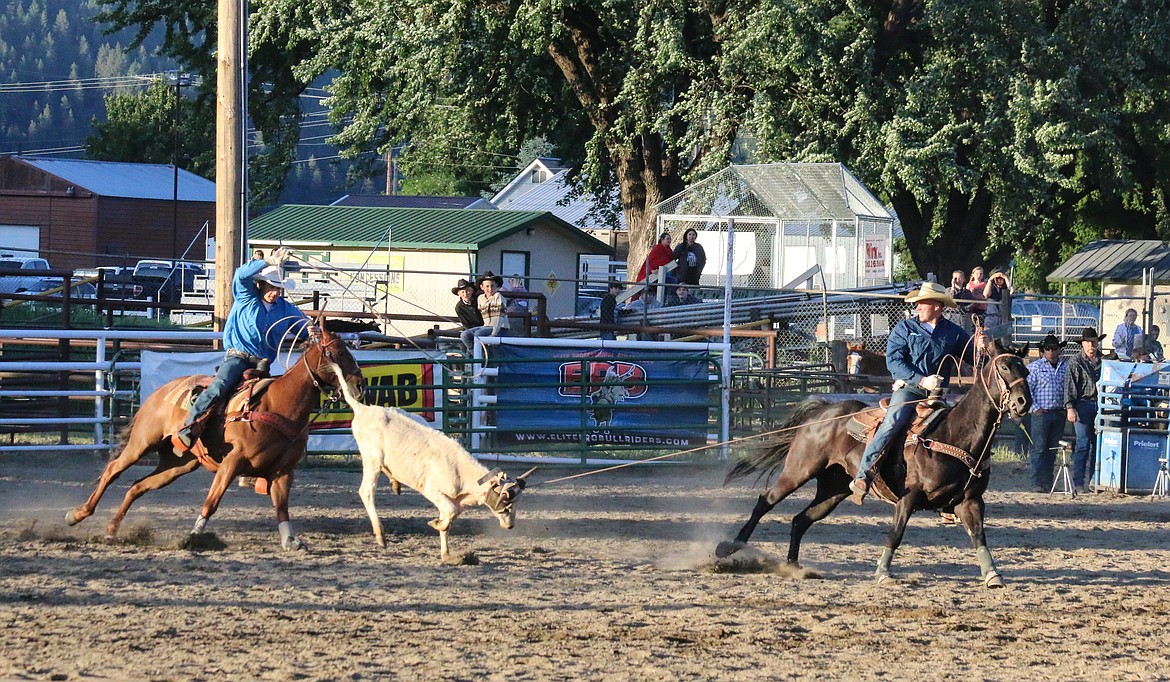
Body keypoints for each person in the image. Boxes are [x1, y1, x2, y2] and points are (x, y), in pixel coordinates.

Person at [850, 281, 988, 503]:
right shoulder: (905, 329)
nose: (918, 307)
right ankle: (864, 474)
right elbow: (894, 362)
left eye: (922, 303)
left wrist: (981, 349)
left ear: (936, 305)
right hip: (910, 390)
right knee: (892, 423)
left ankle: (949, 492)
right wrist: (922, 379)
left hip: (938, 395)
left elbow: (974, 361)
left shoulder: (954, 333)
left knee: (954, 433)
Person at [172, 248, 315, 452]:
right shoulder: (246, 297)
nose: (276, 292)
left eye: (279, 288)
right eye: (272, 287)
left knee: (270, 404)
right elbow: (241, 275)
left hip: (263, 363)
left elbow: (302, 325)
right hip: (237, 357)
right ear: (261, 284)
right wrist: (267, 261)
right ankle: (188, 428)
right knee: (219, 387)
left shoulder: (286, 309)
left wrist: (311, 328)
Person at [1064, 327, 1105, 492]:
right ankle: (1078, 482)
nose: (1091, 345)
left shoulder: (1104, 361)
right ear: (1083, 344)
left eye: (1094, 342)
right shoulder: (1075, 362)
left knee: (1098, 444)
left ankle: (1094, 480)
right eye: (1088, 342)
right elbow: (1069, 387)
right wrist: (1070, 408)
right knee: (1083, 443)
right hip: (1082, 404)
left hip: (1101, 404)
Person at [1026, 333, 1068, 492]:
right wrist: (1035, 408)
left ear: (1059, 350)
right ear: (1043, 351)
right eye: (1048, 349)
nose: (1051, 351)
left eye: (1054, 348)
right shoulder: (1034, 368)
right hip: (1041, 413)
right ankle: (1036, 482)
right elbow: (1027, 390)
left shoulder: (1065, 367)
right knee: (1039, 448)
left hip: (1058, 412)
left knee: (1052, 449)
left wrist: (1066, 406)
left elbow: (1068, 389)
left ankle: (1047, 481)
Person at [459, 271, 509, 351]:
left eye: (492, 286)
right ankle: (476, 354)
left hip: (500, 328)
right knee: (464, 334)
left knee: (478, 334)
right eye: (487, 286)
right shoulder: (480, 298)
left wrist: (494, 334)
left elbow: (500, 316)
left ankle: (485, 356)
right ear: (482, 287)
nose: (490, 289)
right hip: (486, 327)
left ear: (496, 286)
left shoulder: (498, 297)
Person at [632, 232, 677, 300]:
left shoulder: (669, 251)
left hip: (663, 274)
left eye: (670, 239)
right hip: (654, 275)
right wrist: (652, 269)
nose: (669, 240)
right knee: (672, 281)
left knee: (672, 282)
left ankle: (668, 299)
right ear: (662, 239)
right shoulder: (657, 249)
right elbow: (651, 261)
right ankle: (668, 299)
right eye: (667, 239)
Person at [982, 268, 1013, 333]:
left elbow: (1012, 291)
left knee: (1004, 341)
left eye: (1001, 279)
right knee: (989, 339)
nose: (999, 280)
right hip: (991, 317)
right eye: (997, 278)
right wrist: (990, 279)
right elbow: (985, 294)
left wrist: (1005, 277)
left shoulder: (1006, 288)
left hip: (1004, 318)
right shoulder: (992, 287)